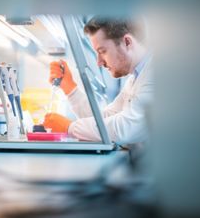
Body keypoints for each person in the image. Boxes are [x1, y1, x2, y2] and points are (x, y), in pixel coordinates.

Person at [42, 16, 153, 145]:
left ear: (127, 42)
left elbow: (126, 129)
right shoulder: (136, 76)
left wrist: (69, 127)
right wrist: (70, 89)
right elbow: (106, 117)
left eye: (102, 51)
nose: (99, 62)